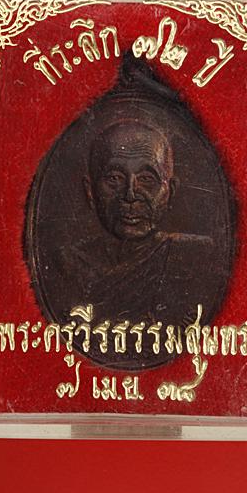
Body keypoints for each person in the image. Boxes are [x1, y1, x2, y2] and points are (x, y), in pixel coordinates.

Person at [58, 117, 214, 335]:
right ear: (90, 191)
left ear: (170, 192)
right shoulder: (69, 265)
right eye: (114, 178)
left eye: (147, 179)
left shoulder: (194, 256)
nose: (130, 195)